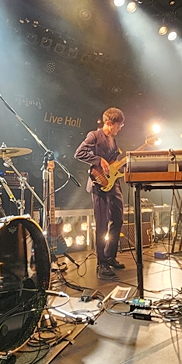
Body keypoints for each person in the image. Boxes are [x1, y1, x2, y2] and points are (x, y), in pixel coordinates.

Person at [74, 107, 125, 279]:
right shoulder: (94, 136)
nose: (120, 128)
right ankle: (101, 262)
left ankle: (110, 257)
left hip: (113, 184)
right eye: (118, 125)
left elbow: (113, 164)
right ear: (109, 123)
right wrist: (98, 160)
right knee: (102, 223)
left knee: (118, 219)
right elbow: (79, 153)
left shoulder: (113, 141)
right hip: (99, 184)